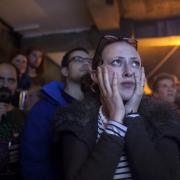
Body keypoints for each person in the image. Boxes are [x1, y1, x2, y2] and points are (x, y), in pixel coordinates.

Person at [54, 35, 180, 180]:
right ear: (95, 75)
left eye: (135, 64)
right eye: (117, 62)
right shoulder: (76, 121)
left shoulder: (162, 119)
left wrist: (131, 116)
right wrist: (115, 120)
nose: (128, 72)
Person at [21, 47, 92, 180]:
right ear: (65, 71)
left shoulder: (95, 107)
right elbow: (33, 161)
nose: (86, 63)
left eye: (89, 61)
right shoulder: (43, 109)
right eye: (78, 59)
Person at [0, 62, 25, 179]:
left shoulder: (23, 116)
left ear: (17, 85)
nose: (5, 85)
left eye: (11, 81)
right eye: (0, 79)